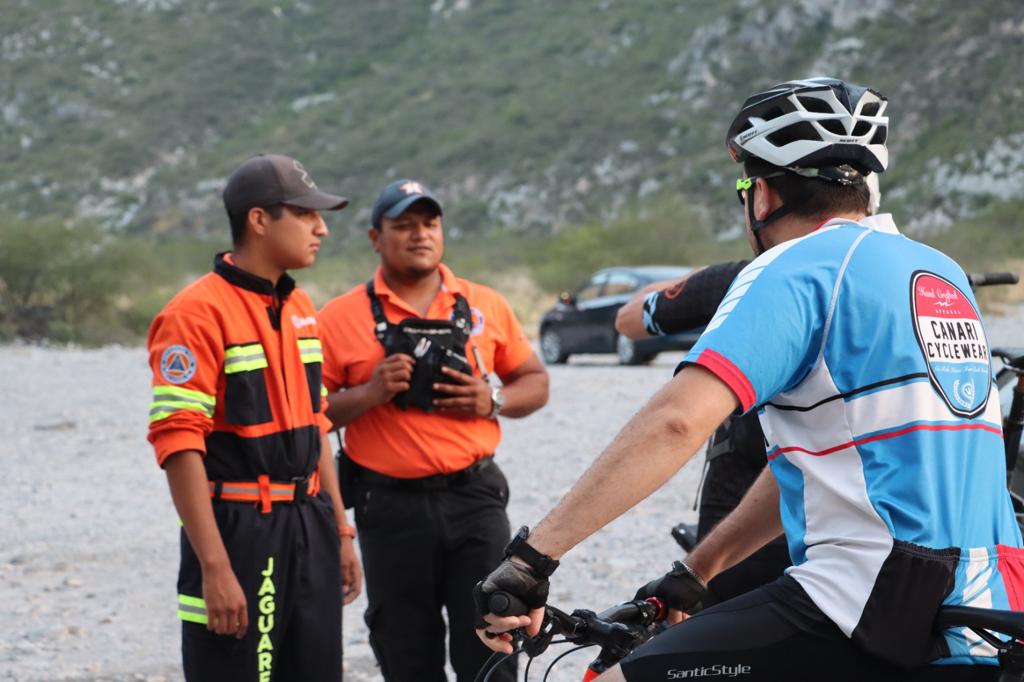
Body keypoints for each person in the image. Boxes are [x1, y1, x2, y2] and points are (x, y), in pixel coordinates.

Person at [476, 77, 1023, 681]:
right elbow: (823, 456)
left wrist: (531, 560)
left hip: (866, 597)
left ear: (760, 195)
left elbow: (676, 421)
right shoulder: (938, 271)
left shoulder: (794, 266)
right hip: (988, 607)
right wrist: (698, 571)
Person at [318, 179, 550, 681]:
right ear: (375, 237)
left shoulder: (484, 303)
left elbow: (535, 381)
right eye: (403, 225)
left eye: (429, 223)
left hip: (475, 499)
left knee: (493, 645)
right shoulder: (337, 319)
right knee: (405, 653)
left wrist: (494, 400)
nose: (419, 234)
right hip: (388, 506)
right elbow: (307, 416)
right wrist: (369, 394)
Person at [147, 153, 361, 682]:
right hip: (239, 531)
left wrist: (340, 531)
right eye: (306, 215)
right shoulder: (193, 314)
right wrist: (215, 568)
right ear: (259, 220)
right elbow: (178, 445)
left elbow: (317, 423)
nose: (322, 228)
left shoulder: (300, 307)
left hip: (309, 522)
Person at [615, 261, 791, 606]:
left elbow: (629, 319)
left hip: (738, 522)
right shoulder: (903, 274)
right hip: (863, 532)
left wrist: (706, 274)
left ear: (763, 205)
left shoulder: (748, 276)